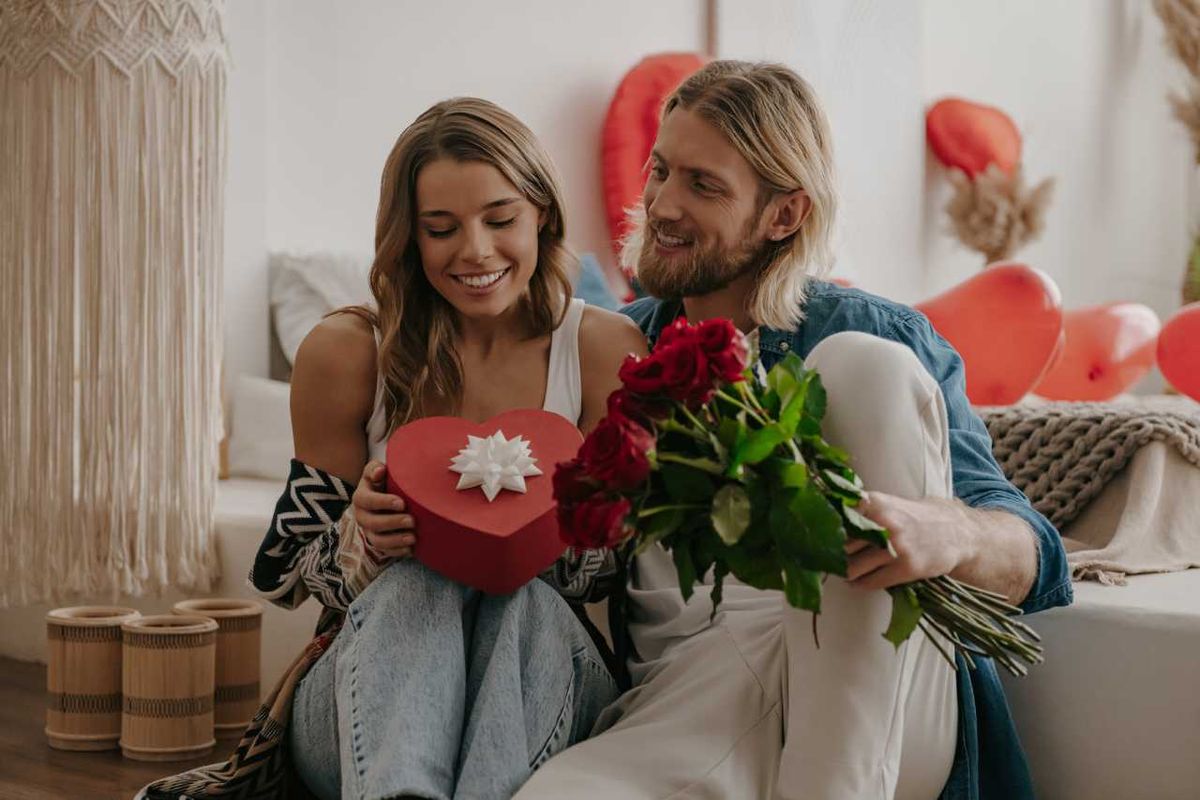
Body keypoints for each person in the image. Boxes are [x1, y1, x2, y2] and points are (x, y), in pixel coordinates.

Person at [514, 61, 1071, 800]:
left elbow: (1037, 556)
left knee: (858, 366)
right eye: (660, 171)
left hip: (881, 694)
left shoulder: (873, 331)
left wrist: (950, 532)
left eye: (703, 185)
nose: (662, 204)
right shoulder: (612, 348)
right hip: (689, 699)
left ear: (784, 215)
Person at [253, 97, 645, 800]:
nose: (475, 251)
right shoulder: (348, 354)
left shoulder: (600, 352)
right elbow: (282, 574)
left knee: (519, 599)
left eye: (500, 220)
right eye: (441, 229)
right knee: (419, 575)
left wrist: (547, 531)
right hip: (358, 712)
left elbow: (624, 581)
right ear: (409, 238)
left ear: (542, 216)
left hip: (546, 687)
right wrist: (363, 541)